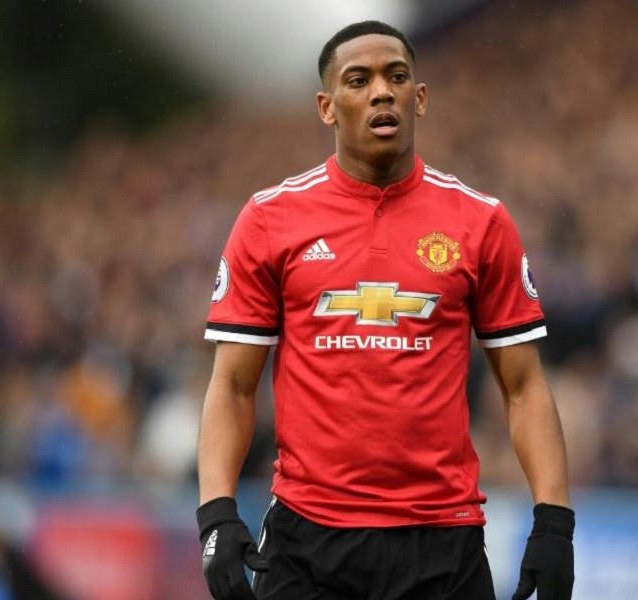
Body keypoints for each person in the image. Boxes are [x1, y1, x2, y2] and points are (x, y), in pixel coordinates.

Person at [196, 20, 574, 600]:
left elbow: (524, 386)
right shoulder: (270, 220)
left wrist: (554, 521)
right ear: (327, 107)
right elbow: (232, 385)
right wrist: (216, 514)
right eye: (359, 80)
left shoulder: (480, 222)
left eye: (396, 77)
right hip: (308, 542)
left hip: (442, 542)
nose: (381, 92)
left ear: (418, 98)